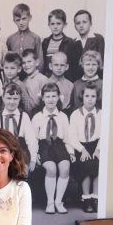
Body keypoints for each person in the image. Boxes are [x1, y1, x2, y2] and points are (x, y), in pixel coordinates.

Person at [31, 83, 72, 214]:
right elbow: (33, 139)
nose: (51, 99)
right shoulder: (37, 117)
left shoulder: (63, 117)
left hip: (59, 145)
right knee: (51, 168)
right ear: (42, 98)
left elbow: (67, 137)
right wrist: (35, 153)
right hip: (44, 146)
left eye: (54, 96)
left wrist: (70, 152)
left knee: (65, 167)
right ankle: (50, 202)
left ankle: (58, 202)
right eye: (47, 96)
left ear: (58, 97)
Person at [0, 82, 37, 169]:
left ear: (20, 99)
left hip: (19, 149)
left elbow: (31, 140)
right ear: (3, 98)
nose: (12, 102)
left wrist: (33, 159)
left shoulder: (24, 116)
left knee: (23, 170)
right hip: (1, 150)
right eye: (9, 98)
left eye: (15, 98)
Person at [68, 84, 101, 213]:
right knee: (86, 165)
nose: (90, 99)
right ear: (82, 97)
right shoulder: (76, 114)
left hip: (96, 145)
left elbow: (104, 135)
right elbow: (72, 136)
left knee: (97, 165)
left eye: (93, 96)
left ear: (97, 98)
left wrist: (98, 149)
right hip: (81, 146)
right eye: (87, 96)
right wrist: (81, 149)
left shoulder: (101, 114)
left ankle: (95, 198)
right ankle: (86, 198)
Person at [41, 9, 79, 81]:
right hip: (48, 80)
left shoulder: (70, 43)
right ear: (48, 25)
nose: (55, 27)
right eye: (52, 24)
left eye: (58, 23)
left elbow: (73, 66)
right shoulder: (45, 42)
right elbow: (44, 64)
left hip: (64, 80)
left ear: (64, 24)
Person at [6, 4, 43, 74]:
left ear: (30, 18)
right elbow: (8, 60)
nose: (21, 23)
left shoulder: (35, 38)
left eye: (24, 19)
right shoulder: (10, 39)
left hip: (31, 76)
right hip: (15, 76)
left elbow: (40, 61)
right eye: (18, 20)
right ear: (14, 21)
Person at [21, 49, 49, 114]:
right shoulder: (23, 82)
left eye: (29, 61)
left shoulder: (43, 79)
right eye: (24, 63)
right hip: (27, 114)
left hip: (40, 113)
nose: (26, 65)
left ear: (37, 62)